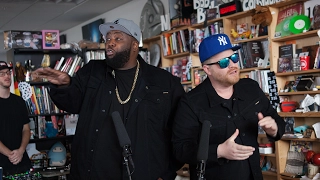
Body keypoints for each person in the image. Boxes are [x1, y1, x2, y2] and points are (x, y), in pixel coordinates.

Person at [32, 18, 185, 180]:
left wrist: (167, 174)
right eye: (108, 39)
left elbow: (181, 130)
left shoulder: (164, 82)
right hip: (95, 172)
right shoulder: (92, 72)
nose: (110, 43)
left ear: (134, 45)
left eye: (118, 38)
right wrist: (65, 85)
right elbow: (72, 103)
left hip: (143, 172)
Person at [172, 34, 285, 180]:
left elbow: (277, 122)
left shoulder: (251, 88)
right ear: (207, 69)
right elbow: (180, 149)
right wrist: (219, 151)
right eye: (224, 62)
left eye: (234, 58)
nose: (233, 65)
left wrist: (274, 129)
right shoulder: (190, 103)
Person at [0, 61, 31, 175]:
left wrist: (21, 150)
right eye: (2, 74)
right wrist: (10, 154)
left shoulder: (19, 101)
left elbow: (26, 129)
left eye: (8, 73)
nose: (7, 76)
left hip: (22, 161)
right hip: (2, 164)